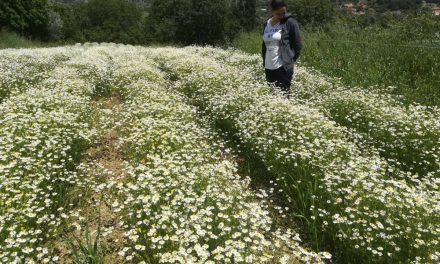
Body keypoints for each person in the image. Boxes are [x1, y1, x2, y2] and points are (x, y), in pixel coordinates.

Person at [262, 0, 302, 98]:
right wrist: (264, 60)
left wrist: (290, 60)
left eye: (283, 13)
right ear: (272, 11)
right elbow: (264, 44)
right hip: (269, 66)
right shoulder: (266, 24)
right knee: (272, 97)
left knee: (284, 97)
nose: (282, 16)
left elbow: (298, 45)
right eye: (278, 14)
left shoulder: (290, 22)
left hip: (283, 66)